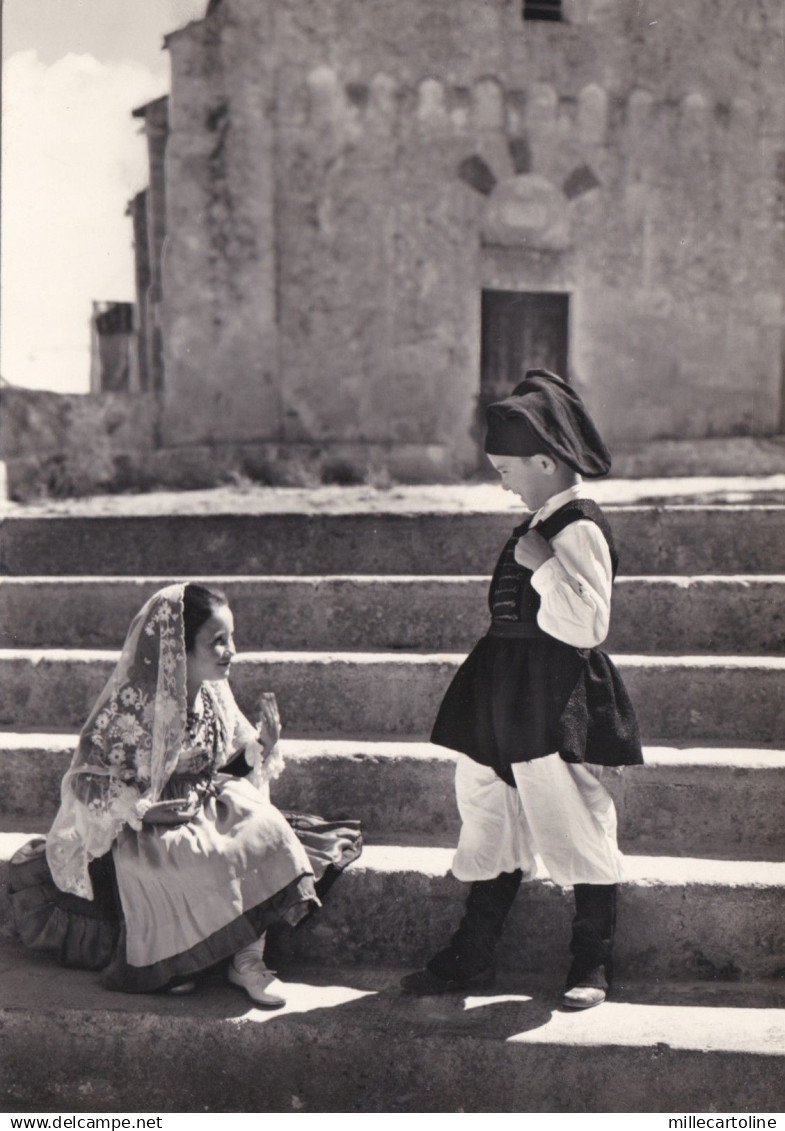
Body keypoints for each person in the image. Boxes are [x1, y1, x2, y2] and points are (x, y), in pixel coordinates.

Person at [400, 369, 642, 1010]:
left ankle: (590, 961)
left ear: (545, 460)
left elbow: (588, 624)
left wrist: (544, 567)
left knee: (570, 814)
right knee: (489, 814)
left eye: (507, 468)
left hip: (550, 693)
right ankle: (473, 952)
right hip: (500, 690)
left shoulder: (578, 526)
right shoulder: (541, 518)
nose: (501, 480)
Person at [10, 583, 361, 1008]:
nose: (231, 650)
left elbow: (234, 761)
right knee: (184, 863)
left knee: (267, 827)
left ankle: (248, 960)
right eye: (217, 642)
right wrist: (142, 811)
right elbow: (87, 781)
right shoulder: (134, 704)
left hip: (206, 804)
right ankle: (177, 964)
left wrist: (263, 745)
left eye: (230, 638)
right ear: (180, 646)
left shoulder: (214, 694)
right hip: (150, 825)